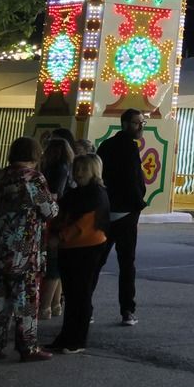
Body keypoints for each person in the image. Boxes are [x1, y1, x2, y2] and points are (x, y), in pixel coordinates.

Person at [0, 136, 59, 361]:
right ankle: (27, 346)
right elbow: (49, 211)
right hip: (23, 250)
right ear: (36, 154)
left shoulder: (0, 176)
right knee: (25, 299)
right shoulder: (34, 178)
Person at [47, 153, 112, 354]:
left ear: (94, 171)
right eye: (76, 168)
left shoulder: (96, 194)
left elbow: (84, 225)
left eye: (83, 169)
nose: (78, 173)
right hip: (70, 249)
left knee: (81, 295)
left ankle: (77, 339)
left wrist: (60, 236)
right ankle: (66, 336)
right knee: (72, 296)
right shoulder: (76, 193)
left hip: (87, 249)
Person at [98, 109, 150, 327]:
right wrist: (139, 203)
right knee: (126, 263)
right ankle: (127, 310)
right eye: (139, 123)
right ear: (127, 123)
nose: (141, 127)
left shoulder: (106, 145)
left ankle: (85, 309)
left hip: (105, 211)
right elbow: (132, 179)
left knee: (96, 262)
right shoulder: (129, 147)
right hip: (125, 213)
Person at [38, 136, 74, 323]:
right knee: (57, 264)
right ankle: (55, 305)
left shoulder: (56, 169)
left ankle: (44, 307)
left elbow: (54, 194)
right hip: (62, 218)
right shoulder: (68, 168)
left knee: (52, 264)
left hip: (54, 218)